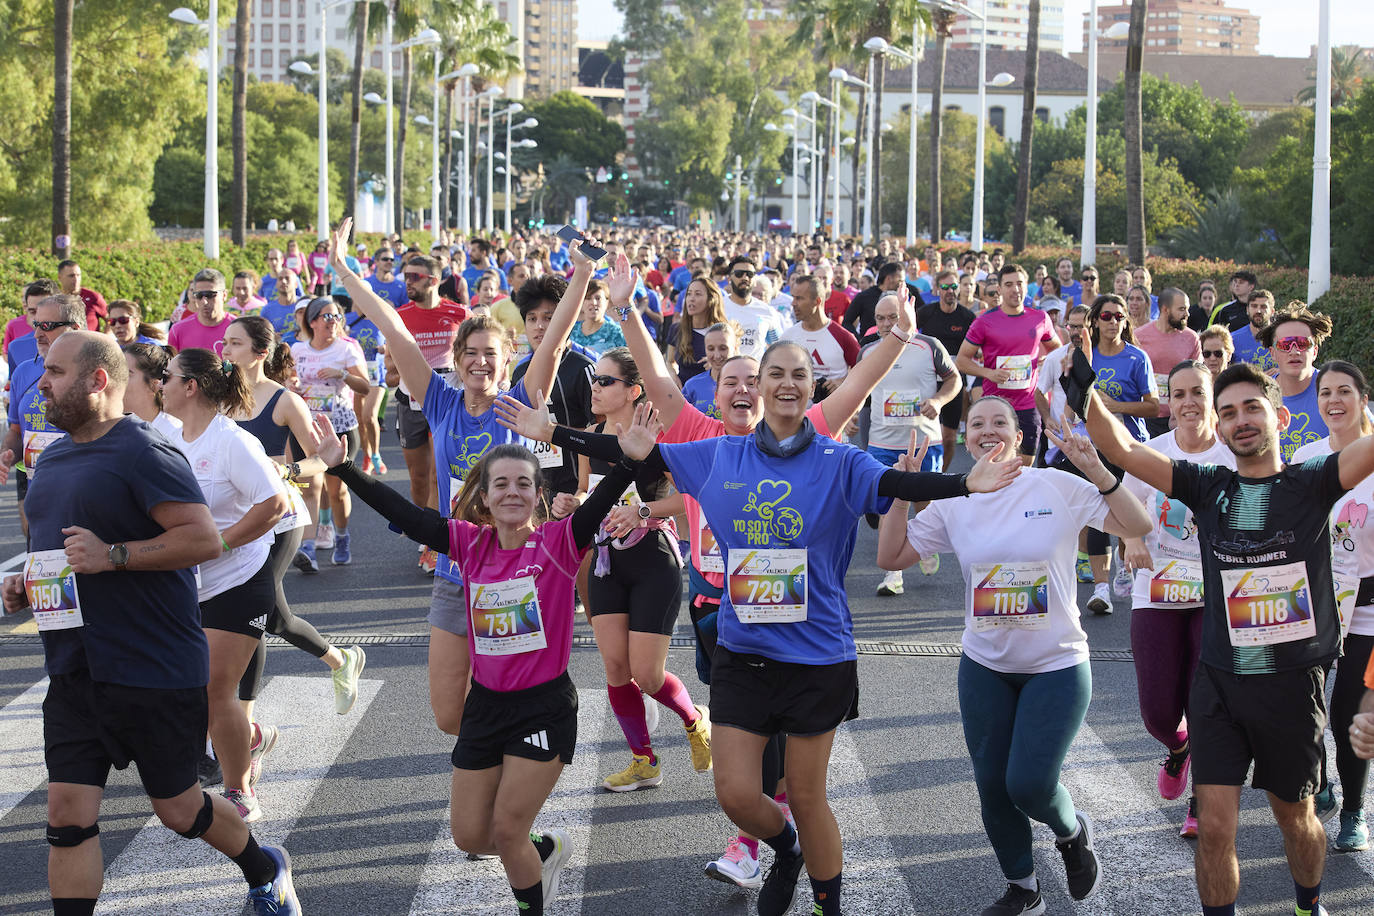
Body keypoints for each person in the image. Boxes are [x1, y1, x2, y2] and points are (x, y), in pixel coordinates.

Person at [530, 335, 1021, 916]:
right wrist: (556, 433)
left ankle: (825, 904)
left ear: (810, 388)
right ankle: (784, 851)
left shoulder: (839, 459)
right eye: (776, 373)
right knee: (737, 792)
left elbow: (897, 485)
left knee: (808, 796)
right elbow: (638, 449)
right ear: (760, 386)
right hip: (745, 651)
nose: (787, 383)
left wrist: (965, 483)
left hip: (818, 657)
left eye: (799, 375)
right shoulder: (719, 455)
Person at [307, 403, 659, 916]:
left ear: (537, 496)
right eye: (501, 485)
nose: (512, 492)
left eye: (523, 484)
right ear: (485, 497)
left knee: (507, 827)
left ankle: (529, 897)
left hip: (543, 708)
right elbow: (407, 516)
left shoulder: (559, 542)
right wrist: (343, 468)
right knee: (469, 835)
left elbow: (600, 499)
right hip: (486, 707)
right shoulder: (468, 545)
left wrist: (628, 463)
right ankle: (542, 851)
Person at [2, 330, 300, 915]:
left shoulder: (146, 452)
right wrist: (27, 584)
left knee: (180, 809)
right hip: (74, 670)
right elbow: (59, 553)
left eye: (57, 373)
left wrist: (114, 555)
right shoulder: (54, 457)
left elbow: (201, 539)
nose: (42, 382)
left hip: (152, 666)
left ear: (99, 380)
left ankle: (267, 869)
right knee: (65, 816)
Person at [1078, 357, 1374, 916]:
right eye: (1229, 411)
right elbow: (1123, 450)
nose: (1240, 420)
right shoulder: (1206, 485)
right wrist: (1083, 386)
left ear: (1280, 417)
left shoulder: (1313, 481)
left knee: (1297, 819)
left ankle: (1308, 905)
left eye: (1252, 409)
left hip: (1290, 687)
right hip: (1218, 684)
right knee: (1215, 828)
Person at [878, 396, 1150, 916]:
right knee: (992, 786)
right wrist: (900, 491)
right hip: (984, 665)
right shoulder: (955, 499)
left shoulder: (1057, 485)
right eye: (976, 422)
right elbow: (891, 557)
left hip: (1057, 664)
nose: (985, 431)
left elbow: (1136, 524)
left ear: (1018, 434)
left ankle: (1071, 833)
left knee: (1028, 783)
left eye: (998, 422)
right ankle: (1024, 889)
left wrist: (1096, 469)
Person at [330, 216, 573, 739]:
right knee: (447, 715)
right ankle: (491, 771)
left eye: (491, 353)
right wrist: (345, 271)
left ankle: (507, 797)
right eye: (470, 354)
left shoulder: (522, 403)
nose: (480, 362)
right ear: (457, 363)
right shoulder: (439, 401)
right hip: (456, 566)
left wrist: (582, 274)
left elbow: (551, 343)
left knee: (513, 696)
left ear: (508, 361)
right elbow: (394, 330)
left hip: (515, 567)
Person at [563, 346, 713, 791]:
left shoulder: (661, 434)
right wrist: (571, 505)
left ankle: (693, 717)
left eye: (605, 381)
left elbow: (693, 495)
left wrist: (643, 512)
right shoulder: (591, 434)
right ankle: (644, 761)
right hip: (607, 560)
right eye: (595, 379)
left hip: (653, 558)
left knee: (647, 674)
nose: (595, 387)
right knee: (614, 666)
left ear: (633, 391)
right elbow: (587, 492)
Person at [160, 347, 288, 823]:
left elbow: (272, 503)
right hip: (189, 584)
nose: (162, 385)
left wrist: (222, 544)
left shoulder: (231, 441)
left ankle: (239, 790)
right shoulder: (173, 437)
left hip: (238, 581)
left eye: (168, 378)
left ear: (190, 387)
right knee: (194, 690)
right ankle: (248, 737)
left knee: (216, 691)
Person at [222, 316, 367, 731]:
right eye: (224, 344)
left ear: (259, 353)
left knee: (254, 613)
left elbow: (320, 458)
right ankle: (341, 660)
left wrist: (283, 470)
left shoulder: (285, 401)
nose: (225, 351)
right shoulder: (219, 398)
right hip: (238, 518)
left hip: (281, 518)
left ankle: (246, 727)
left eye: (234, 344)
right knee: (274, 619)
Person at [1119, 360, 1237, 840]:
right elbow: (1121, 507)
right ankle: (1177, 745)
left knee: (1205, 700)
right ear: (1170, 401)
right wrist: (1131, 539)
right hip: (1157, 590)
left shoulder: (1233, 457)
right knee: (1159, 713)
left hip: (1215, 596)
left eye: (1198, 392)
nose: (1189, 402)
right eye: (1179, 393)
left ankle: (1200, 803)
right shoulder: (1153, 454)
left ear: (1212, 398)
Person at [1292, 361, 1374, 851]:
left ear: (1363, 399)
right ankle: (1319, 779)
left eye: (1345, 391)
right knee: (1305, 709)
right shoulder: (1305, 456)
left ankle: (1354, 812)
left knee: (1349, 715)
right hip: (1316, 604)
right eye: (1325, 392)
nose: (1334, 400)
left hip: (1368, 608)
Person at [863, 290, 961, 594]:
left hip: (922, 441)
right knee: (889, 506)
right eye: (880, 318)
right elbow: (859, 390)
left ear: (906, 316)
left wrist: (938, 400)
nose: (887, 324)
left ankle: (925, 544)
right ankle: (894, 574)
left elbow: (954, 379)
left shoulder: (929, 346)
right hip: (881, 442)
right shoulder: (868, 351)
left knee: (923, 504)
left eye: (893, 317)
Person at [1078, 294, 1159, 614]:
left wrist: (1116, 407)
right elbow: (1073, 400)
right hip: (1096, 446)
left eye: (1119, 317)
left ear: (1126, 322)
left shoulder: (1137, 358)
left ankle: (1124, 566)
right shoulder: (1088, 356)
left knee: (1128, 512)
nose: (1113, 322)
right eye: (1107, 316)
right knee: (1099, 515)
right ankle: (1101, 589)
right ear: (1095, 320)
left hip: (1129, 446)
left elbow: (1153, 406)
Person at [393, 254, 469, 563]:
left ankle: (439, 540)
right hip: (410, 400)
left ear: (433, 281)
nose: (408, 281)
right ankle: (424, 530)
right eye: (406, 276)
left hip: (448, 400)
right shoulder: (400, 315)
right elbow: (390, 357)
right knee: (418, 477)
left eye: (415, 277)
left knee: (443, 473)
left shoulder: (460, 313)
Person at [290, 297, 371, 570]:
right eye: (327, 316)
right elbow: (288, 380)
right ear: (312, 322)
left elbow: (365, 387)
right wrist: (293, 387)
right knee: (310, 487)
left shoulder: (347, 349)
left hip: (340, 428)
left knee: (336, 491)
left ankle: (342, 537)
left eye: (337, 316)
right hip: (306, 427)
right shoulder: (298, 349)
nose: (334, 321)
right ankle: (309, 548)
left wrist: (342, 374)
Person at [1, 294, 86, 541]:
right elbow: (16, 432)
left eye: (47, 326)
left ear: (75, 329)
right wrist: (8, 454)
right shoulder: (24, 372)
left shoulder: (97, 374)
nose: (38, 334)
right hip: (38, 491)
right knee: (43, 571)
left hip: (84, 492)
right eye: (36, 324)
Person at [956, 265, 1058, 466]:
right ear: (999, 289)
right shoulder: (984, 321)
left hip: (1029, 404)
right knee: (994, 464)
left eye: (1019, 283)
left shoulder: (1040, 318)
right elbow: (962, 360)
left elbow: (1057, 349)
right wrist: (989, 373)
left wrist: (1043, 363)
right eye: (1009, 284)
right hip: (995, 404)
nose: (1015, 289)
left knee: (1025, 466)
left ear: (1026, 287)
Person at [1255, 304, 1334, 462]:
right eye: (1285, 345)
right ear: (1273, 353)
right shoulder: (1258, 396)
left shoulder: (1336, 389)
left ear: (1315, 351)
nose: (1294, 351)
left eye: (1302, 344)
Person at [918, 269, 979, 470]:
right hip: (927, 379)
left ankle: (940, 476)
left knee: (949, 437)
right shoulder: (926, 313)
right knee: (922, 432)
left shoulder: (967, 316)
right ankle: (921, 472)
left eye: (954, 286)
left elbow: (976, 348)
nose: (950, 291)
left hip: (953, 381)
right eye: (945, 287)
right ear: (937, 289)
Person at [1133, 288, 1202, 438]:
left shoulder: (1192, 338)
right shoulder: (1139, 336)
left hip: (1179, 416)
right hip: (1146, 416)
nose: (1187, 314)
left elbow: (1197, 378)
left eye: (1187, 309)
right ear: (1165, 310)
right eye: (1182, 309)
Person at [778, 274, 859, 402]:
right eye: (793, 297)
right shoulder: (788, 336)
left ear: (817, 301)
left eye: (799, 298)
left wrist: (843, 381)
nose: (793, 303)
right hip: (796, 414)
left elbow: (864, 370)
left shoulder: (842, 336)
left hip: (833, 412)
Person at [667, 276, 729, 386]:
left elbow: (735, 362)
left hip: (713, 392)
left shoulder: (724, 332)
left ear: (712, 299)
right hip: (683, 394)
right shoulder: (676, 329)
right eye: (689, 294)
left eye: (698, 294)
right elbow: (669, 361)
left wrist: (718, 365)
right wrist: (672, 375)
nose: (691, 298)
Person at [722, 256, 783, 359]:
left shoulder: (767, 311)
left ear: (754, 280)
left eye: (750, 275)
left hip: (756, 372)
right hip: (724, 371)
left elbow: (778, 347)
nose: (745, 278)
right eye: (739, 274)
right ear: (729, 279)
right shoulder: (717, 307)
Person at [168, 269, 235, 353]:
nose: (204, 301)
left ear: (224, 295)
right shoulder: (177, 331)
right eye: (199, 295)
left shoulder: (239, 329)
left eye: (210, 295)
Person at [682, 321, 739, 419]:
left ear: (734, 348)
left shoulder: (748, 385)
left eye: (723, 348)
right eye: (711, 349)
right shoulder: (692, 386)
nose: (717, 356)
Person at [841, 261, 905, 339]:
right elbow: (847, 322)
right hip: (869, 347)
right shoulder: (864, 296)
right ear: (889, 279)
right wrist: (859, 341)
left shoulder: (901, 297)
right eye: (900, 281)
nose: (902, 284)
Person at [568, 279, 626, 357]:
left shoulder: (616, 333)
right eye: (588, 298)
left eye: (598, 298)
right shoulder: (571, 332)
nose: (593, 302)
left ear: (607, 302)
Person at [1228, 288, 1275, 372]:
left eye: (1263, 307)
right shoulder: (1233, 339)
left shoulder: (1282, 336)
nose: (1258, 311)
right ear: (1247, 310)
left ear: (1272, 311)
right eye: (1254, 306)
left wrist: (1281, 372)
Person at [55, 259, 108, 330]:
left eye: (78, 275)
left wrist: (107, 335)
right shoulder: (54, 301)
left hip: (91, 340)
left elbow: (111, 319)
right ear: (59, 277)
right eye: (71, 276)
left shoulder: (93, 297)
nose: (76, 279)